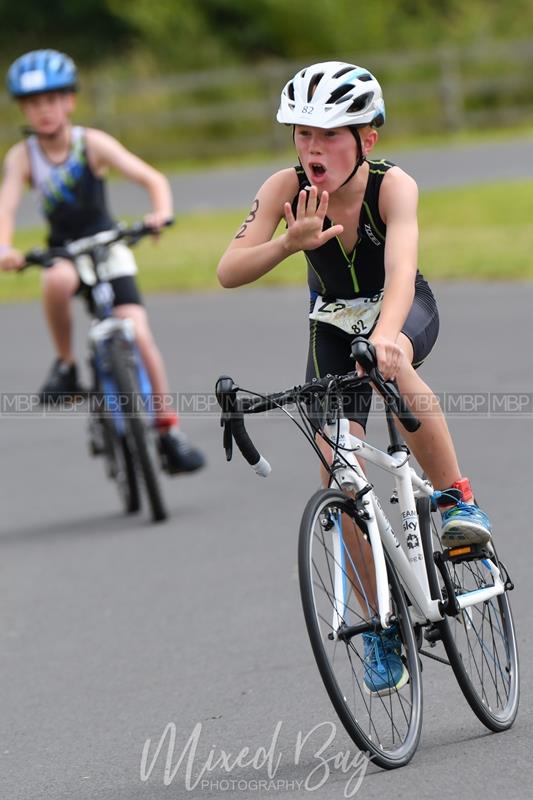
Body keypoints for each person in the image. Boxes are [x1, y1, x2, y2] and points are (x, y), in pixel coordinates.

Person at [217, 61, 492, 693]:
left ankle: (457, 500)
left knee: (398, 375)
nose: (311, 149)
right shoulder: (283, 188)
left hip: (399, 309)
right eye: (302, 134)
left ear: (367, 139)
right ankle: (379, 624)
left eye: (329, 135)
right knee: (335, 461)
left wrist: (390, 337)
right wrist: (288, 245)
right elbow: (229, 270)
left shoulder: (394, 187)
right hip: (333, 323)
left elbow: (400, 270)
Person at [0, 49, 205, 475]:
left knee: (141, 336)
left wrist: (159, 214)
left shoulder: (90, 143)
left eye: (53, 100)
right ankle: (68, 365)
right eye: (34, 104)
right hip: (66, 252)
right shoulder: (22, 157)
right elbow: (6, 207)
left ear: (70, 101)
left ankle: (168, 431)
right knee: (54, 282)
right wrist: (6, 247)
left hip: (108, 244)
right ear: (23, 108)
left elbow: (152, 178)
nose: (44, 111)